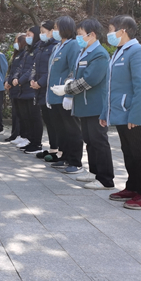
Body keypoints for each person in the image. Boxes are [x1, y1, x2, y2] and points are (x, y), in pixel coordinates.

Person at [51, 18, 114, 189]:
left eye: (80, 34)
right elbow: (74, 72)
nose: (78, 37)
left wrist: (67, 89)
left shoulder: (100, 54)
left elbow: (90, 79)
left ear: (91, 35)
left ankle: (105, 179)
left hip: (95, 105)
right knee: (89, 140)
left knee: (98, 141)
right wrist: (67, 83)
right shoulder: (83, 51)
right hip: (84, 105)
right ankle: (94, 173)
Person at [100, 15, 141, 209]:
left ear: (122, 31)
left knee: (140, 153)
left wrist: (136, 115)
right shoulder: (118, 53)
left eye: (111, 29)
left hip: (133, 114)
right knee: (129, 152)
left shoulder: (138, 53)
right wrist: (104, 113)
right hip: (121, 112)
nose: (109, 34)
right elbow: (110, 88)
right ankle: (132, 187)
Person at [45, 16, 85, 174]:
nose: (54, 31)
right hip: (54, 94)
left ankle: (75, 161)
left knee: (72, 128)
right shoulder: (57, 46)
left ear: (65, 28)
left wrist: (69, 93)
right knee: (61, 128)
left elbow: (74, 70)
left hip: (65, 94)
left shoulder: (73, 45)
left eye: (56, 28)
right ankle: (65, 157)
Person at [30, 20, 59, 161]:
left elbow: (52, 69)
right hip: (39, 88)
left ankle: (57, 149)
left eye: (43, 32)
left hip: (49, 88)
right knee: (47, 119)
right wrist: (32, 80)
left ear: (52, 32)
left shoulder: (55, 46)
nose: (41, 35)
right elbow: (34, 66)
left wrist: (40, 83)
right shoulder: (40, 46)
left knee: (54, 120)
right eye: (40, 32)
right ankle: (53, 148)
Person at [12, 26, 44, 154]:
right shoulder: (27, 50)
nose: (27, 37)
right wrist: (15, 77)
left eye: (29, 35)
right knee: (26, 116)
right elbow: (20, 68)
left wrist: (20, 80)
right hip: (22, 89)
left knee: (34, 117)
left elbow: (32, 69)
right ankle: (30, 140)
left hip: (30, 89)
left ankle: (37, 143)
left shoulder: (38, 49)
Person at [4, 34, 26, 143]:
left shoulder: (24, 54)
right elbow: (11, 70)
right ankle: (14, 134)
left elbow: (19, 71)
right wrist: (7, 81)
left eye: (17, 41)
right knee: (15, 113)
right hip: (12, 86)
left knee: (20, 114)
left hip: (18, 87)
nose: (15, 44)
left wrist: (11, 81)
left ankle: (18, 134)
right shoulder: (16, 55)